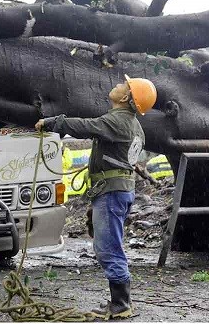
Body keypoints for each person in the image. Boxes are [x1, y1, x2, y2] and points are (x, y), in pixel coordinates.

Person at [35, 75, 157, 320]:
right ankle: (120, 301)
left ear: (126, 97)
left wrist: (52, 123)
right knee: (110, 244)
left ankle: (121, 304)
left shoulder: (118, 121)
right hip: (116, 189)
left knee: (108, 248)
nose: (117, 85)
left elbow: (86, 126)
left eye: (123, 85)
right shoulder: (133, 125)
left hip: (112, 192)